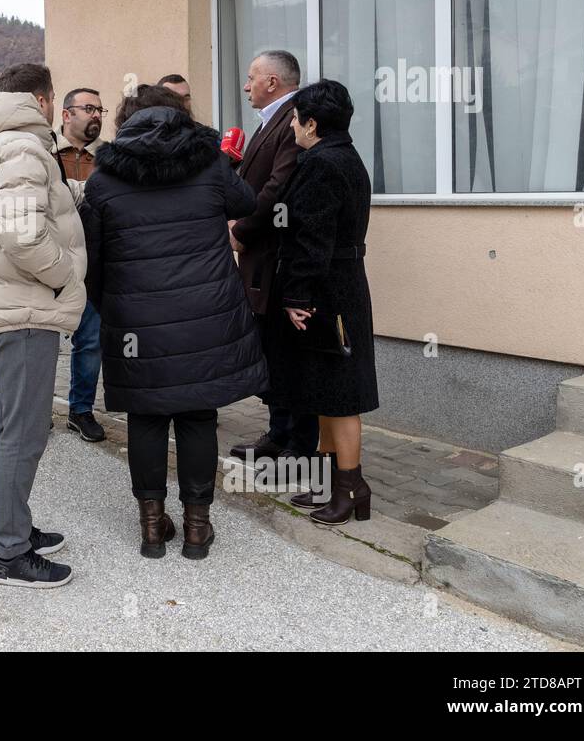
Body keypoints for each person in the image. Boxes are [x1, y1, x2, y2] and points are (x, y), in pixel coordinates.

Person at [82, 85, 267, 560]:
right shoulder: (209, 163)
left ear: (126, 121)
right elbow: (246, 203)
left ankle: (151, 526)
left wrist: (111, 305)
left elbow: (92, 259)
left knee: (145, 415)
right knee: (198, 414)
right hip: (205, 314)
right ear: (181, 117)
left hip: (135, 322)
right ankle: (197, 528)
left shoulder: (103, 178)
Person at [0, 63, 86, 588]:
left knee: (10, 426)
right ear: (41, 99)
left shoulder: (5, 143)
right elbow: (22, 235)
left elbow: (31, 213)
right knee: (24, 431)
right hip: (26, 309)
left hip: (14, 306)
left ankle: (15, 527)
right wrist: (65, 278)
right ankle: (10, 553)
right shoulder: (21, 147)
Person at [264, 79, 379, 525]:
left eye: (295, 119)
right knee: (325, 390)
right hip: (337, 286)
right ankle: (333, 484)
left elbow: (312, 238)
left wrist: (296, 294)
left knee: (340, 394)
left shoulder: (322, 164)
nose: (292, 126)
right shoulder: (343, 156)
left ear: (311, 124)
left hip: (327, 292)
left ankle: (351, 487)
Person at [228, 51, 320, 471]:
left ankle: (299, 444)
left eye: (252, 78)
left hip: (278, 260)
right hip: (262, 262)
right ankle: (278, 432)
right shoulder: (273, 120)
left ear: (272, 82)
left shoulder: (293, 121)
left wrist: (242, 230)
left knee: (289, 355)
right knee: (272, 353)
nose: (246, 86)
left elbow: (277, 189)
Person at [54, 87, 106, 443]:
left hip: (94, 263)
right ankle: (37, 408)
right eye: (88, 108)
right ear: (67, 114)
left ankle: (81, 410)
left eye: (100, 109)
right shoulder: (45, 153)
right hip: (50, 262)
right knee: (43, 341)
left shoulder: (108, 157)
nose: (96, 114)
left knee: (89, 341)